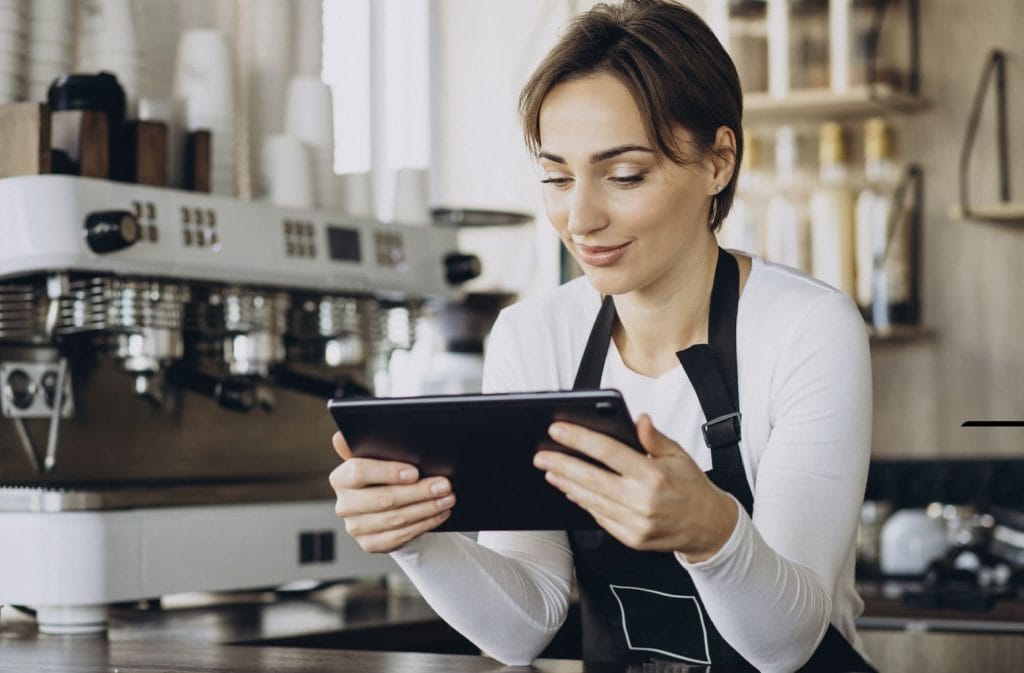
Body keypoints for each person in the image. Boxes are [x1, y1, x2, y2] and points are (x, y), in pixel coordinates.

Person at [329, 1, 875, 671]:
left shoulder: (807, 329)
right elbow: (523, 626)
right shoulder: (533, 336)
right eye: (557, 177)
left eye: (624, 176)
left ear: (718, 161)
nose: (580, 217)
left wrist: (712, 532)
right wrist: (414, 538)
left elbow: (787, 645)